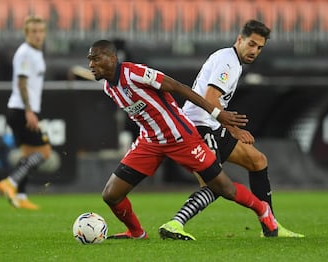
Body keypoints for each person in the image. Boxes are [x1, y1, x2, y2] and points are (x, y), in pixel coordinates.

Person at [87, 39, 279, 240]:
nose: (91, 65)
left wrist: (216, 113)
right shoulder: (109, 88)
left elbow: (178, 87)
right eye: (89, 60)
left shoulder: (134, 72)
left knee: (224, 188)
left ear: (112, 58)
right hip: (150, 142)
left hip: (180, 137)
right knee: (111, 194)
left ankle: (262, 209)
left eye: (95, 59)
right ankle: (137, 233)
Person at [159, 19, 304, 239]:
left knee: (258, 161)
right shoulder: (227, 62)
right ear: (240, 39)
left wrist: (225, 126)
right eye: (252, 44)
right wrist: (233, 128)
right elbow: (210, 98)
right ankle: (174, 224)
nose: (255, 51)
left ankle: (270, 226)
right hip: (198, 126)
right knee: (218, 183)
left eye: (260, 48)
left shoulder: (232, 61)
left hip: (211, 125)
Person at [0, 16, 50, 210]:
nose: (38, 35)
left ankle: (20, 195)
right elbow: (21, 82)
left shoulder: (34, 53)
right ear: (26, 34)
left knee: (27, 155)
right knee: (44, 152)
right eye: (33, 31)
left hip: (20, 110)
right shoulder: (26, 53)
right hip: (22, 110)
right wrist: (29, 111)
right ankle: (10, 182)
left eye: (40, 31)